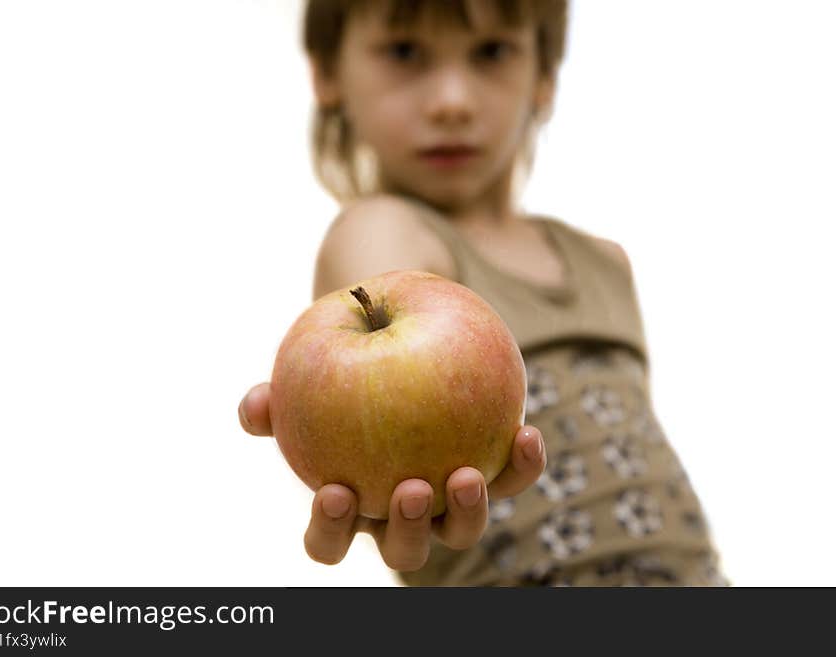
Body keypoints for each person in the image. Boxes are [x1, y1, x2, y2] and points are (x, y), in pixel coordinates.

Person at [238, 0, 728, 586]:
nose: (452, 101)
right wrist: (351, 436)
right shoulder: (383, 232)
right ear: (327, 73)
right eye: (404, 52)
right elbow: (381, 360)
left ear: (543, 76)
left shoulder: (605, 263)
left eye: (492, 52)